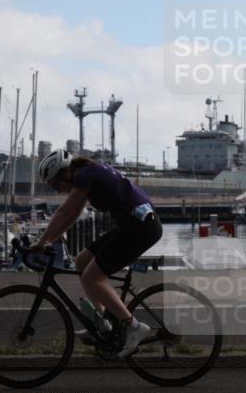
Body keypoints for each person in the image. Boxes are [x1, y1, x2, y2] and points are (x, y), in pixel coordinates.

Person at [31, 149, 162, 357]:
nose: (56, 190)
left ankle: (134, 327)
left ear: (65, 173)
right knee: (82, 262)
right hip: (133, 224)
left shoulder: (85, 175)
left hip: (140, 227)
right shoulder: (86, 173)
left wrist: (41, 242)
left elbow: (65, 211)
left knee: (92, 278)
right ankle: (104, 324)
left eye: (55, 184)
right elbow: (72, 213)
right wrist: (51, 239)